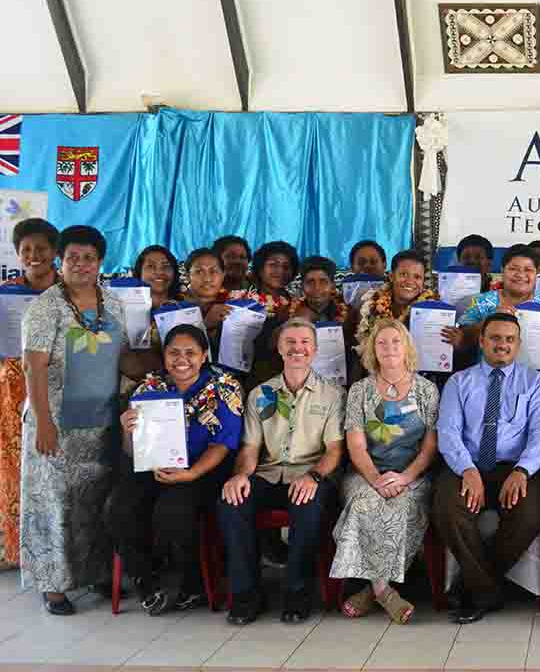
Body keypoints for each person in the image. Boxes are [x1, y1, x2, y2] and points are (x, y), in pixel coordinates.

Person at [20, 226, 143, 614]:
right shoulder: (45, 306)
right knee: (54, 504)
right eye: (73, 257)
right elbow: (32, 367)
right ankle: (53, 586)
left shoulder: (113, 303)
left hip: (100, 421)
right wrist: (43, 422)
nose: (81, 264)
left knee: (94, 502)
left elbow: (122, 356)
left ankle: (96, 574)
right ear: (61, 259)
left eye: (89, 257)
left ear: (100, 261)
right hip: (54, 422)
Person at [106, 325, 243, 614]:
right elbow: (131, 452)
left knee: (173, 510)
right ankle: (145, 580)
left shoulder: (223, 388)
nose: (182, 359)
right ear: (164, 356)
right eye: (174, 353)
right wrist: (128, 430)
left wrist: (191, 474)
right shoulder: (149, 388)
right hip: (152, 468)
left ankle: (193, 584)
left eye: (191, 353)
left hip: (202, 471)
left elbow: (222, 445)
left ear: (204, 355)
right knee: (117, 507)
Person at [217, 317, 346, 625]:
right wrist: (241, 476)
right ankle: (246, 596)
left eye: (304, 343)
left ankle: (297, 594)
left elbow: (334, 450)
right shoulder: (260, 394)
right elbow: (249, 448)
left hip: (311, 473)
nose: (297, 349)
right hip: (269, 472)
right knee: (231, 501)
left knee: (307, 503)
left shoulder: (332, 395)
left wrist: (313, 476)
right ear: (279, 348)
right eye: (290, 342)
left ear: (314, 350)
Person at [433, 313, 540, 624]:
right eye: (496, 338)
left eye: (509, 339)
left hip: (515, 467)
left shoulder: (536, 382)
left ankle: (472, 586)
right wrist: (467, 470)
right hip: (468, 464)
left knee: (528, 515)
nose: (503, 344)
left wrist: (522, 471)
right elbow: (447, 432)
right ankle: (487, 591)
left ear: (518, 345)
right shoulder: (459, 382)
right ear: (482, 342)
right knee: (448, 509)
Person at [331, 319, 439, 624]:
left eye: (395, 342)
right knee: (366, 503)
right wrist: (376, 479)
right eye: (382, 343)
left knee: (401, 504)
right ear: (372, 350)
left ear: (407, 348)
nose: (389, 348)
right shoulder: (360, 391)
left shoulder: (426, 390)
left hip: (412, 474)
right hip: (367, 473)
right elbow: (356, 446)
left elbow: (429, 448)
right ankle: (384, 591)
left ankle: (371, 590)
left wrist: (404, 477)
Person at [0, 218, 59, 570]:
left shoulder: (69, 292)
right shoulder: (5, 292)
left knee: (50, 472)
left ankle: (54, 550)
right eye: (26, 250)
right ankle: (16, 549)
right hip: (11, 391)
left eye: (41, 248)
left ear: (54, 252)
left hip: (55, 391)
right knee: (11, 469)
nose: (34, 255)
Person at [454, 245, 540, 372]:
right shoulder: (482, 302)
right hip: (488, 378)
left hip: (537, 383)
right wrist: (489, 319)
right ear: (502, 270)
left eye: (528, 270)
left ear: (536, 273)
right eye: (513, 269)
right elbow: (463, 341)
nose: (520, 275)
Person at [234, 241, 299, 388]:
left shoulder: (298, 304)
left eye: (286, 266)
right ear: (260, 268)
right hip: (247, 377)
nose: (280, 271)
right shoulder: (243, 299)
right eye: (273, 264)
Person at [182, 248, 231, 350]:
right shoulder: (174, 307)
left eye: (213, 271)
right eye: (199, 271)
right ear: (187, 276)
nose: (207, 279)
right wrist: (205, 324)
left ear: (223, 274)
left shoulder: (234, 304)